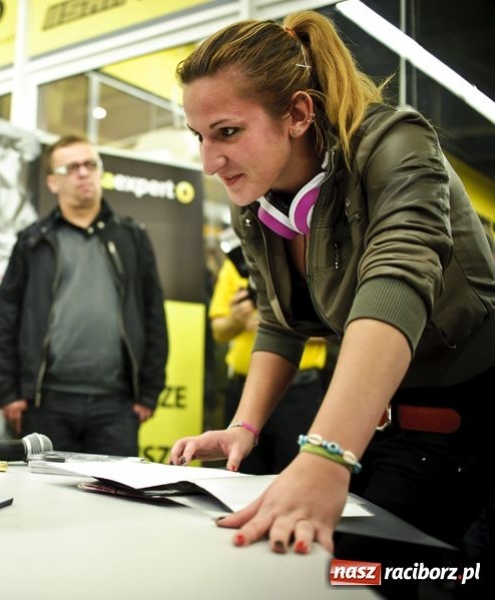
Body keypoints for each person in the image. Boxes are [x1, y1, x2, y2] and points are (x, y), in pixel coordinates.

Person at [169, 10, 495, 596]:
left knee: (374, 572)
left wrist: (326, 455)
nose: (208, 161)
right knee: (329, 564)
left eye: (227, 131)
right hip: (385, 409)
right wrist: (245, 426)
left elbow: (397, 278)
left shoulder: (396, 143)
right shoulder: (259, 199)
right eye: (199, 136)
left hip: (470, 399)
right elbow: (277, 320)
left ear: (297, 114)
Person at [0, 135, 168, 457]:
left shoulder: (132, 237)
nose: (83, 173)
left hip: (117, 405)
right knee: (46, 502)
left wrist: (149, 393)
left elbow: (153, 314)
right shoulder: (32, 242)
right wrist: (9, 392)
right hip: (46, 402)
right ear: (52, 182)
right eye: (71, 167)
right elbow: (5, 317)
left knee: (115, 502)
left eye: (90, 164)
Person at [210, 256, 326, 475]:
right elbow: (218, 329)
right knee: (240, 473)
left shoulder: (314, 264)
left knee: (295, 472)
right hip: (243, 388)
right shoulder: (236, 265)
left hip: (299, 391)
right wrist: (238, 320)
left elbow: (336, 329)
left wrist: (279, 329)